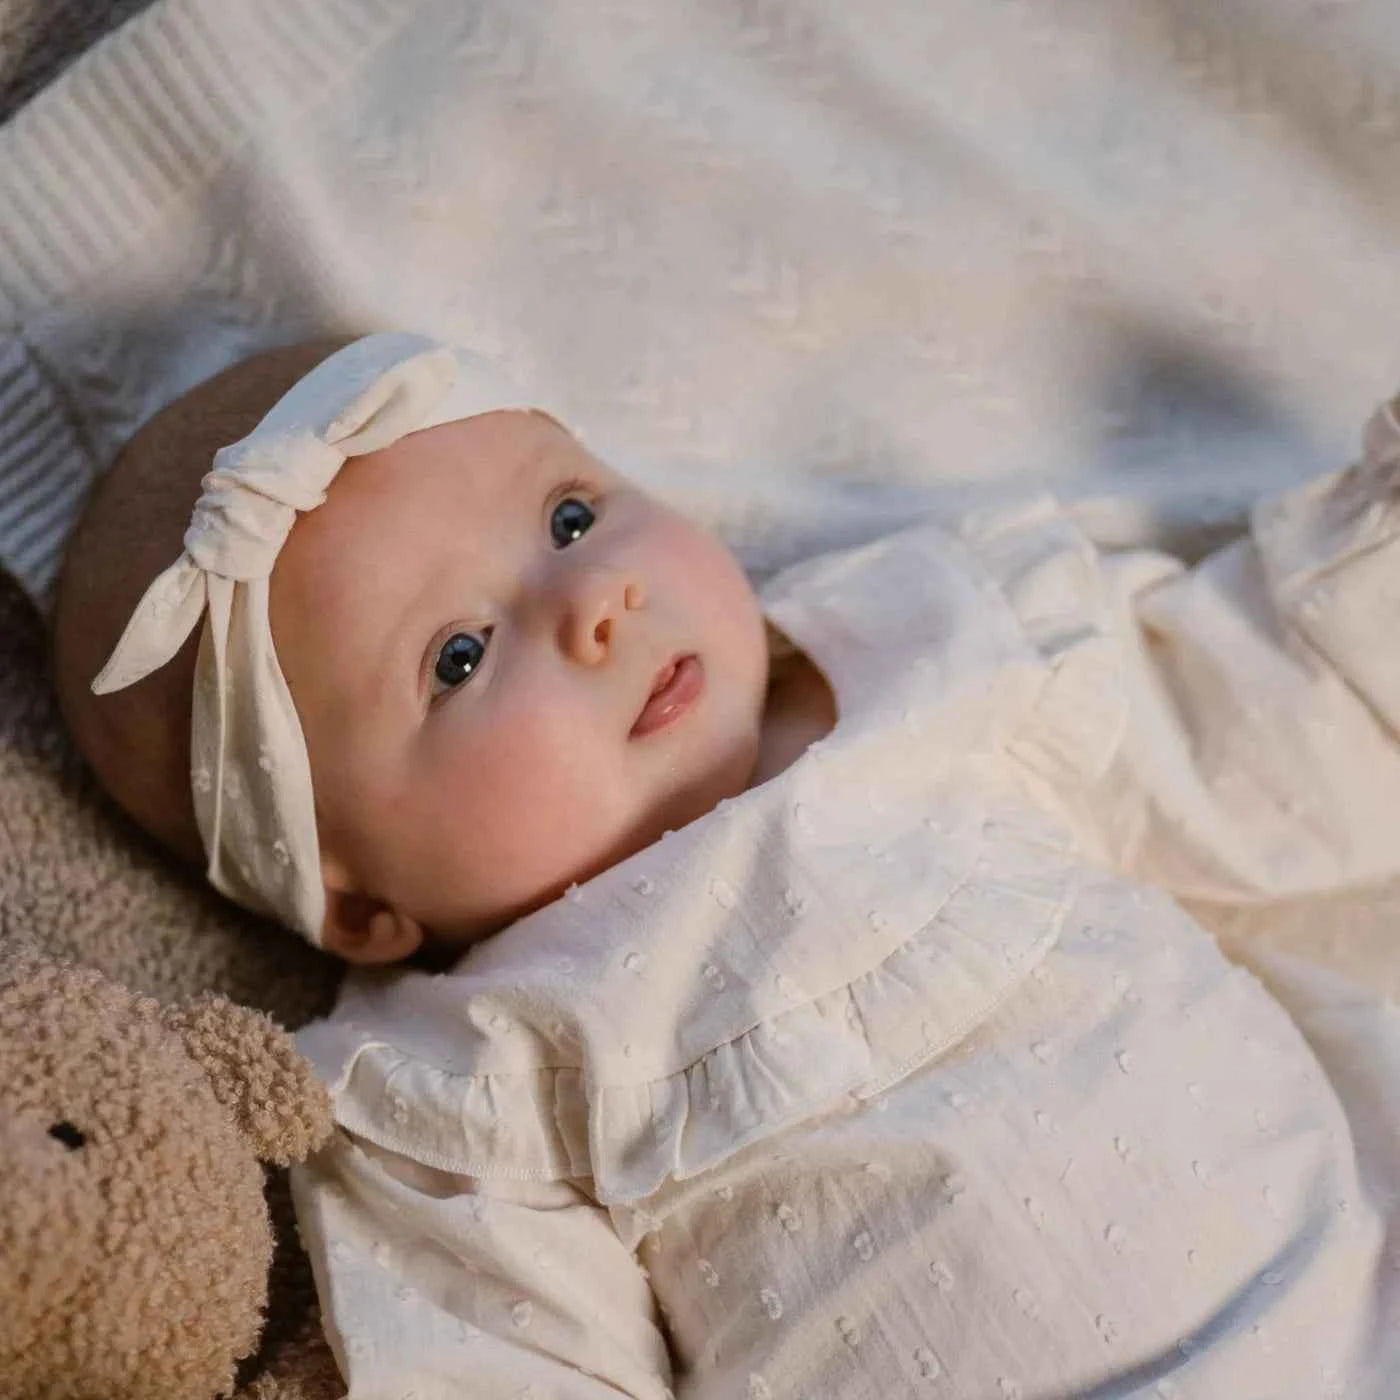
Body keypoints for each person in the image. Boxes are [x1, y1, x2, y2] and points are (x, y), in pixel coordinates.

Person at [51, 331, 1400, 1397]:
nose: (595, 601)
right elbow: (500, 1364)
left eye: (570, 516)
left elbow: (1250, 727)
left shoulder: (933, 674)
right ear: (357, 905)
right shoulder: (460, 1093)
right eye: (458, 657)